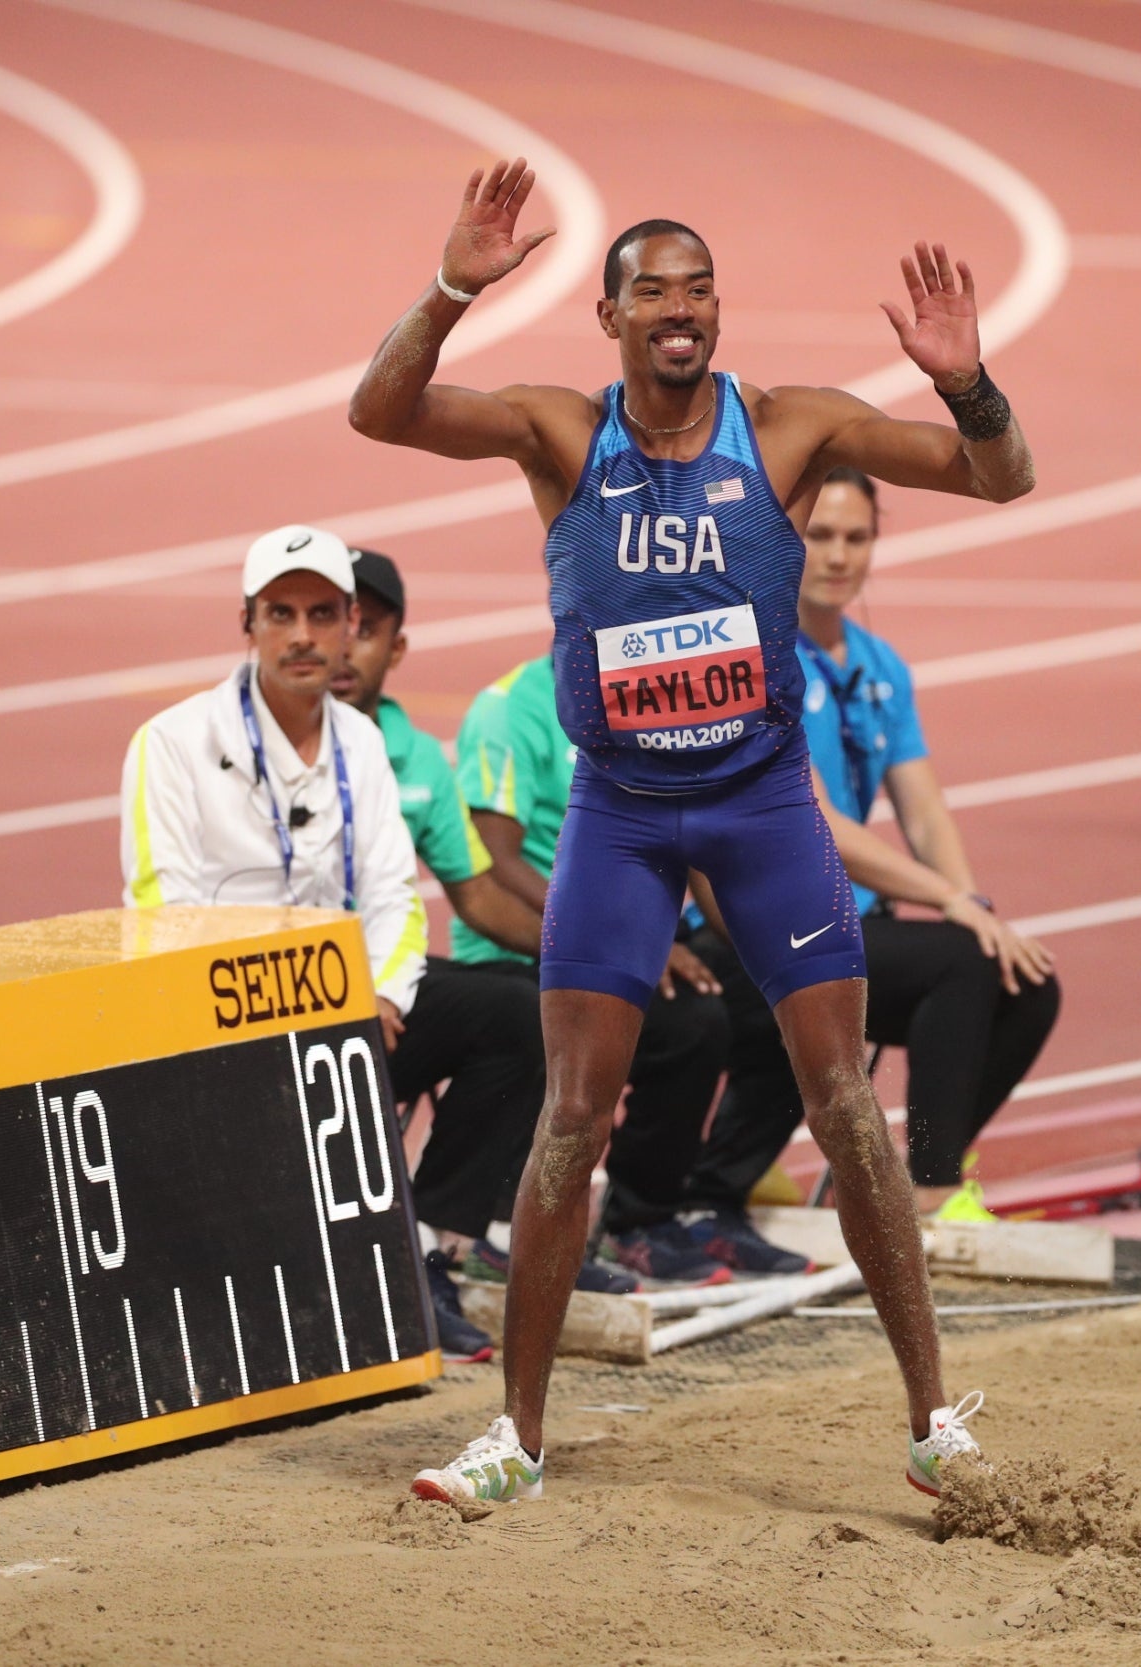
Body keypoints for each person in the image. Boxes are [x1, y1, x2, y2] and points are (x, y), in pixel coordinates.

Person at [350, 158, 1038, 1508]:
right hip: (622, 810)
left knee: (846, 1104)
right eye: (653, 289)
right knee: (570, 1117)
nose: (681, 309)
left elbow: (1001, 477)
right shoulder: (561, 432)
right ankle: (519, 1439)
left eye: (701, 288)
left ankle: (933, 1419)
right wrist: (447, 290)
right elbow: (382, 413)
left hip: (762, 802)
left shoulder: (788, 429)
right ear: (608, 316)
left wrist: (967, 379)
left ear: (720, 312)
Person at [119, 525, 495, 1361]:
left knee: (508, 1015)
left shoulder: (362, 741)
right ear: (247, 622)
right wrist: (305, 1000)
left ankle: (428, 1249)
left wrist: (386, 996)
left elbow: (397, 896)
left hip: (353, 1007)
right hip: (225, 1018)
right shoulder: (171, 744)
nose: (301, 635)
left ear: (351, 624)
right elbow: (165, 914)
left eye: (322, 614)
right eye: (280, 613)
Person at [679, 467, 1060, 1243]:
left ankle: (916, 1170)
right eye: (820, 535)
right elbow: (814, 823)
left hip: (844, 924)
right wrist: (953, 911)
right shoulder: (751, 655)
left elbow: (923, 807)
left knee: (1024, 981)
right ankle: (926, 1195)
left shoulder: (880, 665)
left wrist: (975, 907)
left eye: (857, 537)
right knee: (960, 961)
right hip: (747, 925)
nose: (839, 556)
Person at [332, 550, 639, 1311]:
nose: (340, 645)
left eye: (363, 629)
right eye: (322, 622)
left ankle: (434, 1244)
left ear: (395, 648)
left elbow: (476, 894)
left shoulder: (413, 761)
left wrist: (590, 959)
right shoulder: (231, 746)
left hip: (382, 998)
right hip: (271, 1007)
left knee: (527, 1008)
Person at [454, 655, 742, 1285]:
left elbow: (688, 834)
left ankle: (652, 1219)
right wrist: (617, 939)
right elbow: (496, 861)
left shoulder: (652, 697)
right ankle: (508, 1233)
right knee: (672, 1017)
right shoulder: (509, 707)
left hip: (632, 938)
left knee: (729, 997)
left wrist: (768, 941)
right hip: (523, 945)